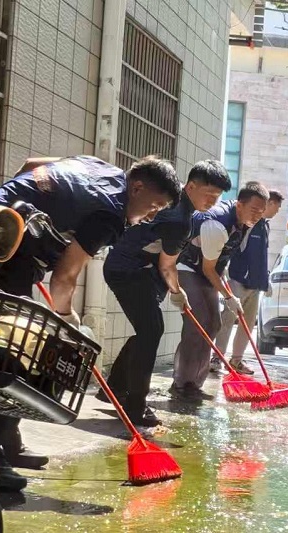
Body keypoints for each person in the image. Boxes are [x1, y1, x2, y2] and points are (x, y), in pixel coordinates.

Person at [0, 155, 181, 491]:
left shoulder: (100, 167)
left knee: (18, 349)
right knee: (6, 351)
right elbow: (64, 277)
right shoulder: (109, 214)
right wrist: (68, 320)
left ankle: (7, 441)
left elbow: (31, 166)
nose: (154, 213)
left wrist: (25, 211)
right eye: (154, 204)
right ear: (136, 186)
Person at [99, 160, 232, 426]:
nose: (212, 201)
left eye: (217, 197)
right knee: (151, 330)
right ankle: (135, 406)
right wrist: (177, 290)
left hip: (140, 271)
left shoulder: (182, 207)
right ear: (191, 186)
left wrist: (172, 288)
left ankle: (113, 389)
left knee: (147, 330)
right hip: (127, 271)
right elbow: (167, 264)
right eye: (208, 194)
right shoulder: (178, 218)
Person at [170, 181, 269, 401]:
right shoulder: (216, 223)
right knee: (198, 321)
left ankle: (194, 383)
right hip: (186, 266)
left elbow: (218, 263)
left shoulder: (243, 222)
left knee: (214, 322)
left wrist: (226, 292)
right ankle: (181, 383)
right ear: (239, 204)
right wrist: (229, 295)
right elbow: (207, 268)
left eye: (261, 212)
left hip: (207, 270)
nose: (257, 216)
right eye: (254, 210)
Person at [211, 189, 284, 374]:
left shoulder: (264, 226)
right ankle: (216, 359)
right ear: (270, 204)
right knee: (228, 320)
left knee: (248, 325)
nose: (277, 211)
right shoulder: (247, 223)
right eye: (277, 206)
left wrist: (264, 281)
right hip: (238, 280)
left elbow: (261, 256)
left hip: (256, 284)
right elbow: (235, 249)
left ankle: (237, 361)